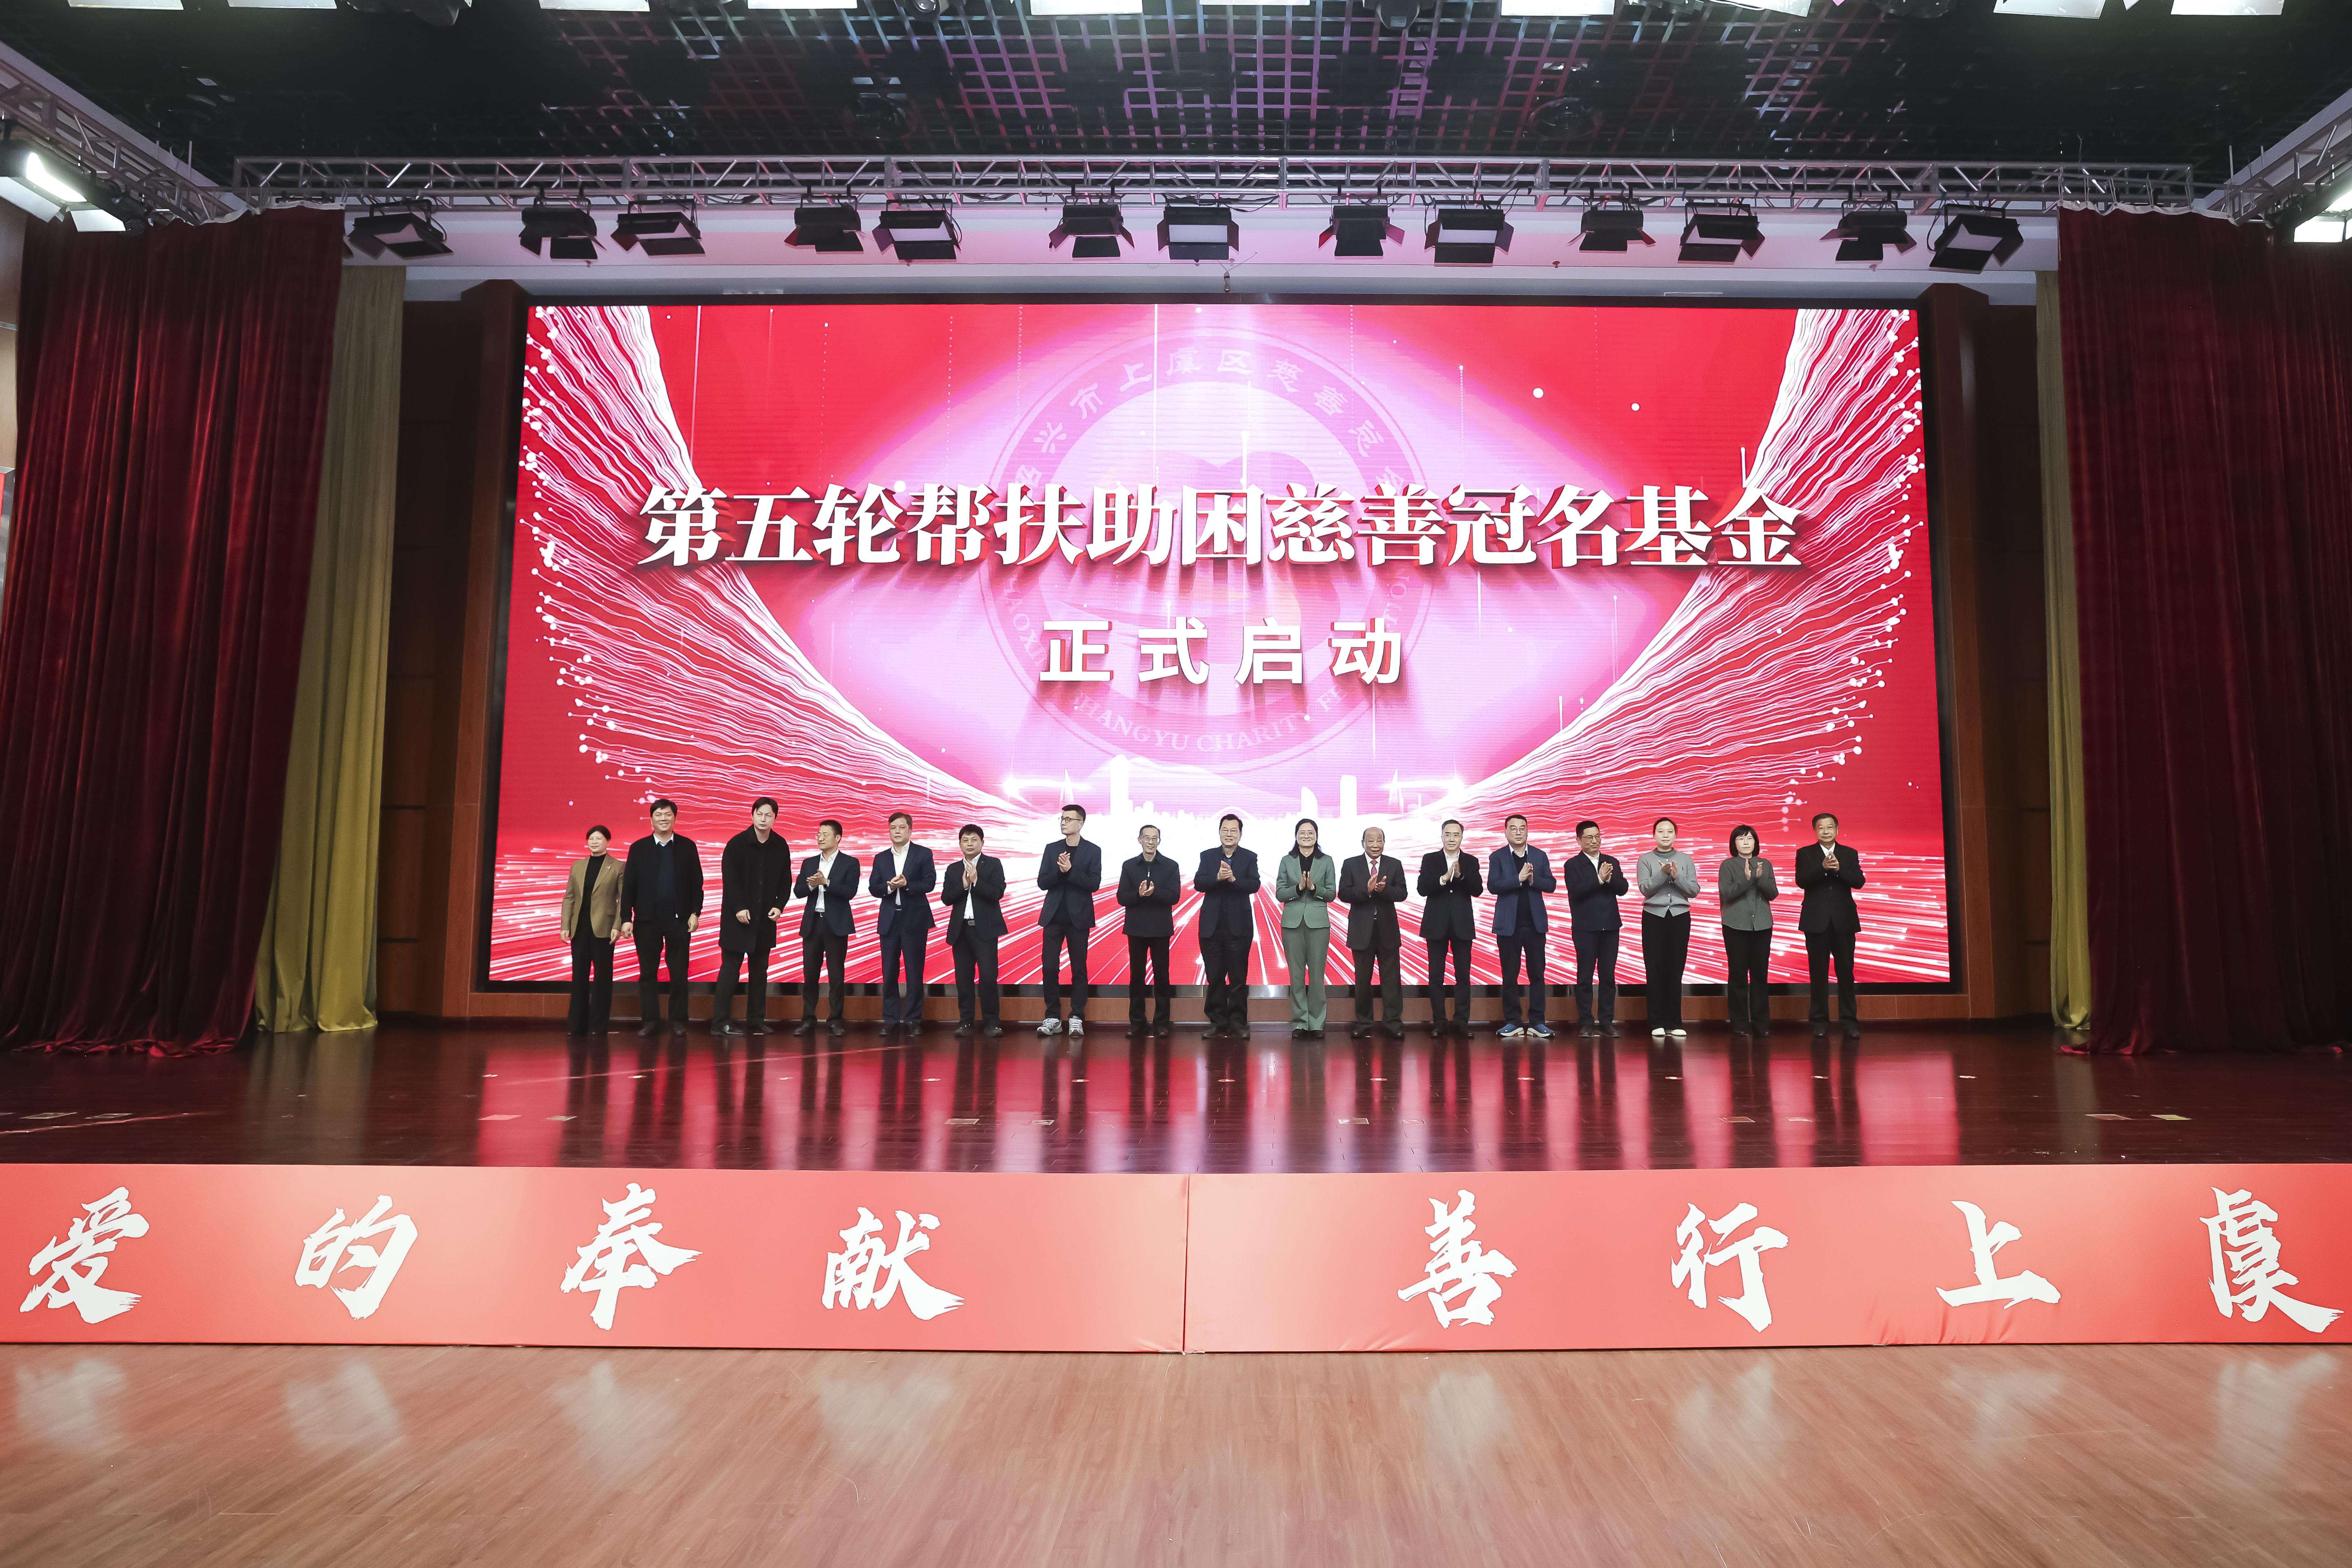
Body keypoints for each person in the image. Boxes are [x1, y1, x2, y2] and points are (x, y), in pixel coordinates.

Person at [617, 799, 702, 1037]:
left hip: (679, 920)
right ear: (651, 819)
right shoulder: (639, 848)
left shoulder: (687, 847)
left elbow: (697, 884)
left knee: (679, 973)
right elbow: (629, 887)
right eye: (659, 815)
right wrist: (626, 918)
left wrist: (695, 912)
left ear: (675, 818)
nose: (663, 819)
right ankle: (650, 1022)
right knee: (647, 973)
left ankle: (679, 1021)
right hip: (647, 921)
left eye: (668, 815)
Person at [713, 798, 792, 1036]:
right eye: (760, 814)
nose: (764, 819)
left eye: (769, 815)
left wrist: (779, 906)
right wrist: (739, 907)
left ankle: (756, 1021)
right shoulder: (737, 844)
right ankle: (720, 1023)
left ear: (775, 818)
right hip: (737, 920)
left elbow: (786, 880)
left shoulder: (780, 845)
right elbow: (730, 880)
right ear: (752, 815)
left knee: (760, 973)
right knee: (730, 971)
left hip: (765, 920)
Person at [1795, 812, 1866, 1038]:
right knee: (1818, 974)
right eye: (1821, 828)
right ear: (1815, 831)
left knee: (1846, 973)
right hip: (1816, 922)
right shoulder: (1805, 853)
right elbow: (1801, 881)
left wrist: (1839, 869)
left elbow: (1859, 881)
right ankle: (1819, 1022)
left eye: (1829, 827)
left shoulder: (1849, 853)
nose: (1825, 832)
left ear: (1837, 830)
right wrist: (1823, 867)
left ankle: (1849, 1023)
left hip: (1844, 921)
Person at [1487, 814, 1557, 1042]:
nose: (1518, 832)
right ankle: (1513, 1022)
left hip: (1535, 925)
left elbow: (1552, 884)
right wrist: (1518, 879)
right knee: (1510, 975)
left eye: (1522, 828)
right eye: (1513, 829)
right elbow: (1493, 886)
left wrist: (1533, 880)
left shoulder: (1539, 855)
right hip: (1509, 926)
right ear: (1506, 832)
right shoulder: (1497, 857)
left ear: (1528, 831)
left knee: (1537, 974)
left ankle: (1537, 1022)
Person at [1036, 804, 1102, 1037]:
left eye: (1069, 819)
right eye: (1062, 819)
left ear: (1081, 823)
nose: (1064, 823)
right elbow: (1042, 882)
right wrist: (1060, 872)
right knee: (1050, 968)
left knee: (1079, 969)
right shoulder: (1052, 849)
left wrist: (1071, 871)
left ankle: (1076, 1017)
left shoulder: (1093, 851)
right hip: (1053, 917)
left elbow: (1094, 884)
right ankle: (1053, 1017)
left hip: (1079, 918)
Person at [1336, 826, 1408, 1039]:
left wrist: (1384, 890)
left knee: (1391, 979)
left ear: (1384, 843)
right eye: (1371, 841)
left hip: (1388, 929)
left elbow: (1402, 893)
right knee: (1363, 980)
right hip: (1361, 930)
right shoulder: (1351, 864)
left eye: (1379, 841)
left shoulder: (1394, 864)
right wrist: (1366, 891)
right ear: (1363, 843)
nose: (1376, 845)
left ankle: (1393, 1023)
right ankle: (1363, 1023)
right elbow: (1343, 893)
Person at [869, 811, 936, 1034]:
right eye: (893, 828)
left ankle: (913, 1020)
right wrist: (889, 887)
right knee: (889, 972)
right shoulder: (881, 858)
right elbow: (873, 887)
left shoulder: (923, 854)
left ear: (910, 830)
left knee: (914, 972)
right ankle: (890, 1020)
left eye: (901, 828)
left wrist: (907, 885)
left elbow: (930, 883)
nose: (897, 832)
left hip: (915, 920)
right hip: (890, 920)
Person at [1194, 814, 1261, 1038]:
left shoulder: (1249, 857)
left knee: (1238, 979)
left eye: (1234, 831)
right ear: (1220, 832)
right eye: (1225, 830)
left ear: (1240, 834)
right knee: (1215, 978)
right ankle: (1218, 1022)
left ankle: (1238, 1023)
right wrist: (1217, 878)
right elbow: (1199, 883)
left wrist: (1233, 880)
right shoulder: (1208, 856)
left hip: (1239, 929)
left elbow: (1254, 885)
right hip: (1211, 928)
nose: (1229, 834)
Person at [1563, 820, 1629, 1035]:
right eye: (1589, 837)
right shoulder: (1572, 865)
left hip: (1610, 926)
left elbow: (1623, 889)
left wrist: (1608, 880)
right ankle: (1586, 1022)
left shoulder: (1611, 861)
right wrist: (1599, 879)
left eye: (1597, 836)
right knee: (1585, 976)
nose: (1594, 841)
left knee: (1608, 976)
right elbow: (1576, 892)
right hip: (1585, 928)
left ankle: (1607, 1021)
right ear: (1579, 840)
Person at [794, 818, 859, 1036]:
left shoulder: (850, 863)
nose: (820, 838)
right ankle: (808, 1020)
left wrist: (827, 883)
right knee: (810, 975)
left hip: (836, 925)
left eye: (825, 834)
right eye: (818, 834)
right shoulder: (809, 863)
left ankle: (836, 1021)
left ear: (838, 838)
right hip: (813, 924)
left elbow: (850, 892)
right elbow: (798, 891)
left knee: (836, 976)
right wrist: (812, 884)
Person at [1417, 819, 1482, 1035]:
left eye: (1456, 835)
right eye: (1448, 834)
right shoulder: (1430, 859)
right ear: (1442, 837)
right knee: (1436, 976)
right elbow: (1422, 888)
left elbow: (1478, 890)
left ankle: (1461, 1022)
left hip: (1462, 925)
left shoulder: (1471, 861)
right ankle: (1439, 1022)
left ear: (1462, 837)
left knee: (1463, 975)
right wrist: (1444, 879)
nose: (1452, 839)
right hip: (1436, 924)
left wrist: (1460, 876)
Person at [1637, 817, 1700, 1040]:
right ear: (1654, 835)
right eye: (1661, 831)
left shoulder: (1686, 859)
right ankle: (1657, 1022)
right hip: (1654, 917)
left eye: (1670, 831)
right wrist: (1663, 873)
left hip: (1680, 917)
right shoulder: (1645, 859)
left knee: (1676, 968)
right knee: (1654, 969)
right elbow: (1645, 889)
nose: (1665, 835)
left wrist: (1676, 876)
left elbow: (1694, 890)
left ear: (1676, 835)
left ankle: (1675, 1022)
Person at [1275, 817, 1338, 1039]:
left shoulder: (1327, 861)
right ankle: (1301, 1023)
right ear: (1296, 836)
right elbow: (1280, 893)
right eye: (1302, 833)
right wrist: (1298, 888)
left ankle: (1317, 1023)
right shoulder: (1287, 861)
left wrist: (1313, 888)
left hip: (1318, 924)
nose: (1307, 836)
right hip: (1292, 923)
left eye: (1311, 833)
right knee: (1297, 976)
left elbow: (1331, 894)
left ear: (1317, 836)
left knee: (1317, 975)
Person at [1116, 825, 1180, 1037]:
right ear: (1140, 840)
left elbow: (1174, 896)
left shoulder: (1171, 866)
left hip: (1161, 929)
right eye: (1147, 838)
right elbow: (1122, 897)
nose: (1151, 842)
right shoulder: (1129, 866)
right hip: (1136, 929)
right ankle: (1137, 1023)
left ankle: (1162, 1023)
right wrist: (1139, 894)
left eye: (1155, 838)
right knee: (1137, 977)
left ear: (1159, 841)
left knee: (1162, 977)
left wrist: (1154, 893)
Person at [942, 824, 1005, 1037]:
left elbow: (997, 893)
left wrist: (977, 880)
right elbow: (946, 898)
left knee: (988, 977)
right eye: (965, 840)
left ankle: (992, 1022)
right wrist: (963, 886)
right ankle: (966, 1022)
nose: (969, 844)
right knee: (963, 979)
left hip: (985, 931)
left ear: (982, 843)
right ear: (960, 844)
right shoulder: (953, 869)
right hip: (961, 931)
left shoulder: (993, 864)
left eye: (974, 840)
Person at [559, 825, 624, 1034]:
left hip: (604, 928)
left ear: (608, 842)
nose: (594, 842)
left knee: (603, 978)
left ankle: (598, 1026)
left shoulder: (618, 867)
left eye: (599, 838)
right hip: (580, 927)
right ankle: (576, 1025)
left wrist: (618, 925)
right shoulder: (578, 866)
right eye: (591, 839)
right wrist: (565, 925)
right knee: (579, 976)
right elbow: (569, 897)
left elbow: (623, 899)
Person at [1719, 824, 1778, 1035]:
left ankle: (1761, 1024)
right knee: (1738, 975)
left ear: (1756, 842)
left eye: (1750, 839)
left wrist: (1760, 879)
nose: (1746, 842)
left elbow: (1773, 894)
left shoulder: (1766, 864)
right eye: (1741, 839)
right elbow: (1727, 895)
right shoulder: (1727, 865)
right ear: (1734, 843)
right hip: (1735, 925)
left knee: (1760, 975)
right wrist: (1746, 880)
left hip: (1762, 925)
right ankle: (1740, 1024)